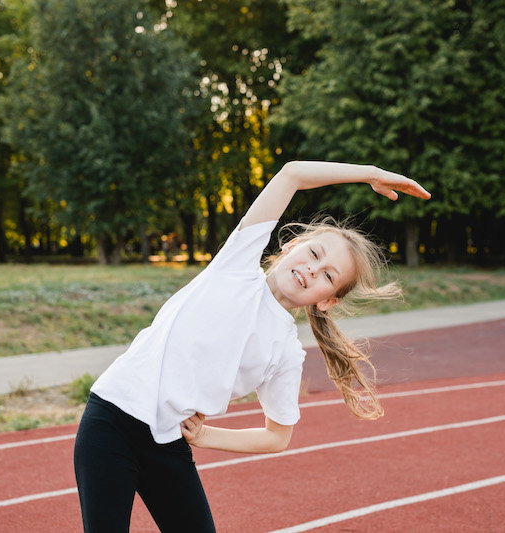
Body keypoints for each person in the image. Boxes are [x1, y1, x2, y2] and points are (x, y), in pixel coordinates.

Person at [73, 160, 431, 532]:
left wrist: (208, 436)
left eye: (328, 275)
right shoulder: (236, 265)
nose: (313, 269)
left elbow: (277, 436)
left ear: (328, 301)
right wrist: (370, 173)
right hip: (112, 420)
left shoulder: (287, 354)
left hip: (167, 442)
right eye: (314, 254)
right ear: (291, 245)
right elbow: (292, 173)